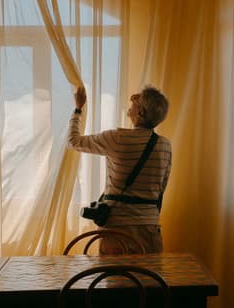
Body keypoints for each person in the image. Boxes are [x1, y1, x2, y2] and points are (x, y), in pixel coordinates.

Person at [67, 85, 172, 254]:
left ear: (141, 113)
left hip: (117, 228)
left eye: (135, 103)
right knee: (148, 279)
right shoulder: (165, 146)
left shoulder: (117, 139)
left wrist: (78, 109)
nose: (130, 104)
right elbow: (161, 188)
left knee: (117, 278)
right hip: (150, 227)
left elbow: (73, 141)